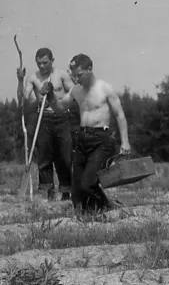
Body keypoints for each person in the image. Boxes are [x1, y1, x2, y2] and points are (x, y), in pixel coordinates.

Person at [62, 54, 131, 214]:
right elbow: (60, 106)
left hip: (101, 140)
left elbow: (120, 115)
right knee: (77, 193)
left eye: (80, 75)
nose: (77, 79)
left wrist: (125, 142)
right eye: (74, 76)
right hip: (82, 139)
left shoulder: (104, 88)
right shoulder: (76, 90)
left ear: (90, 69)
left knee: (88, 184)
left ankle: (109, 208)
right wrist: (50, 95)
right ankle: (90, 215)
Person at [16, 48, 76, 200]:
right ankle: (49, 193)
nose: (42, 66)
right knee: (45, 157)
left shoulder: (61, 75)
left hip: (61, 118)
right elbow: (23, 101)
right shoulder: (33, 78)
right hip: (43, 118)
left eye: (45, 63)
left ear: (52, 60)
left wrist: (54, 97)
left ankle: (66, 192)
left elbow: (74, 93)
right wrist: (20, 81)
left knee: (64, 156)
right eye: (38, 63)